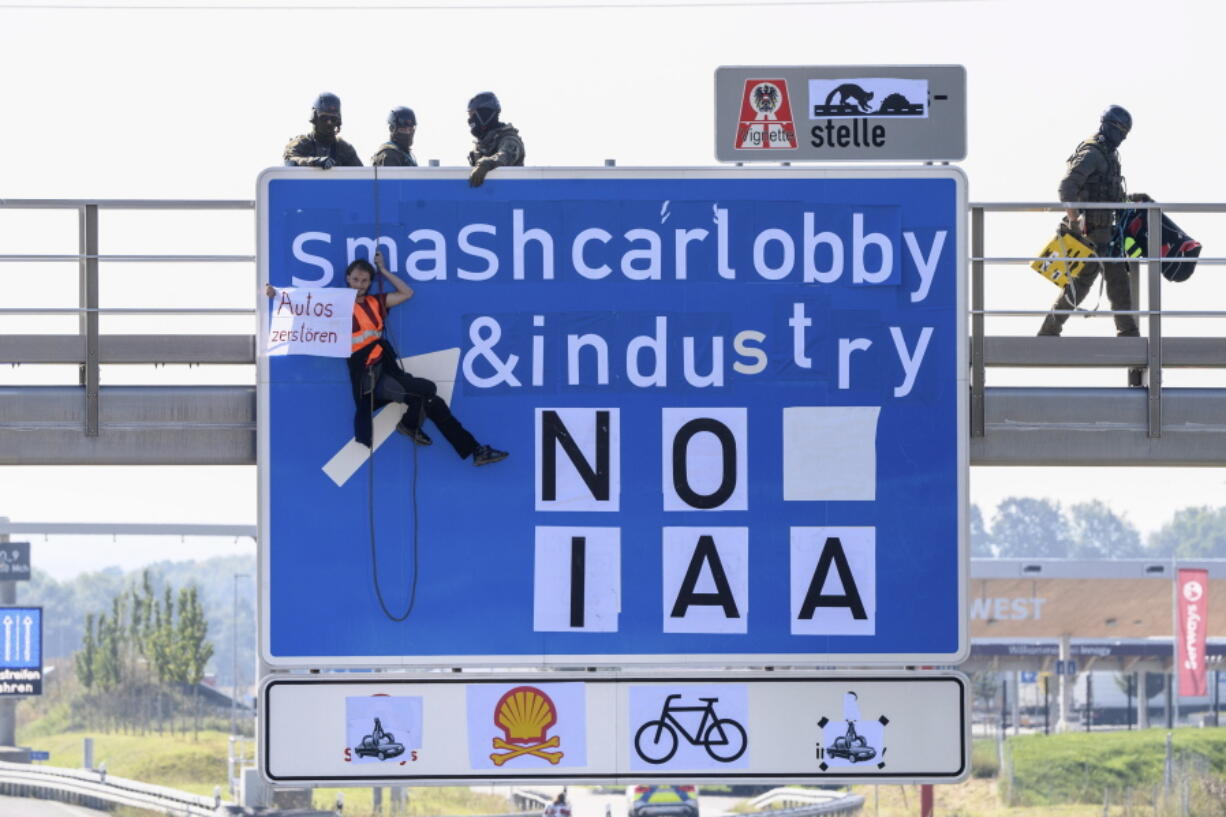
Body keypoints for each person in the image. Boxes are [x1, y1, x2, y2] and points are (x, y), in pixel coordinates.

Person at [264, 254, 507, 466]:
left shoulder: (375, 302)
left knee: (434, 402)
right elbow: (304, 308)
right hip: (369, 378)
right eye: (356, 279)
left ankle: (474, 450)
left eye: (365, 280)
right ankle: (410, 426)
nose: (359, 284)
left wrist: (384, 271)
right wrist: (276, 295)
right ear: (348, 278)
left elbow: (407, 293)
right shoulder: (334, 306)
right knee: (427, 389)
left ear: (370, 283)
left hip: (387, 371)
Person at [1037, 105, 1138, 339]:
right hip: (1090, 233)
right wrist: (1075, 222)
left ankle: (1128, 333)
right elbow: (1066, 188)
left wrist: (1130, 201)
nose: (1121, 137)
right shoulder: (1092, 153)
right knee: (1080, 285)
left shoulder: (1109, 154)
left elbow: (1108, 193)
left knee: (1118, 283)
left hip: (1107, 233)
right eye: (1119, 130)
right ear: (1108, 126)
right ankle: (1048, 332)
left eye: (1125, 133)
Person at [284, 92, 362, 169]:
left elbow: (360, 174)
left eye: (333, 119)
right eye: (324, 118)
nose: (329, 122)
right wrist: (312, 162)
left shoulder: (344, 149)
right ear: (315, 118)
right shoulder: (301, 143)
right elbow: (289, 159)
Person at [466, 91, 524, 187]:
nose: (470, 120)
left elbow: (505, 156)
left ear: (484, 114)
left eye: (473, 114)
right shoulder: (481, 145)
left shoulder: (509, 139)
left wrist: (485, 164)